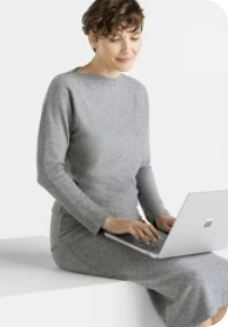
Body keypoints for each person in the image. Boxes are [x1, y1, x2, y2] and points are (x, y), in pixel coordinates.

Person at [36, 0, 228, 326]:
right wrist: (106, 220)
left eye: (134, 37)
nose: (128, 48)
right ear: (93, 38)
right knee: (190, 278)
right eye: (115, 38)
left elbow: (142, 167)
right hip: (81, 235)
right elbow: (49, 171)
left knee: (221, 272)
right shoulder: (66, 88)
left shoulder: (137, 93)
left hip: (136, 229)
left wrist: (159, 215)